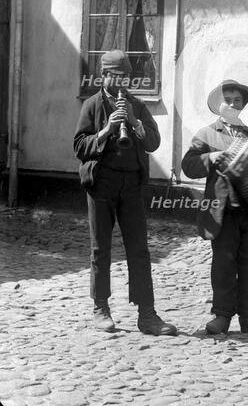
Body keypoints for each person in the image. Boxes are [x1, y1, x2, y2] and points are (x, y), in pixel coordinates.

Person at [73, 50, 177, 336]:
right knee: (100, 249)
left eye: (124, 77)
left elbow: (154, 143)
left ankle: (147, 314)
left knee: (139, 250)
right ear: (103, 74)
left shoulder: (137, 106)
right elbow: (79, 147)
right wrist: (107, 130)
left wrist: (134, 122)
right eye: (114, 76)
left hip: (131, 185)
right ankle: (100, 308)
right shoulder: (92, 106)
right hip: (101, 184)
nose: (120, 82)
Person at [181, 80, 248, 336]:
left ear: (242, 105)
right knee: (223, 264)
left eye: (237, 101)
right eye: (228, 100)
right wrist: (209, 158)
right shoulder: (207, 134)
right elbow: (187, 165)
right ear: (217, 105)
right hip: (222, 212)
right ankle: (221, 316)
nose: (232, 104)